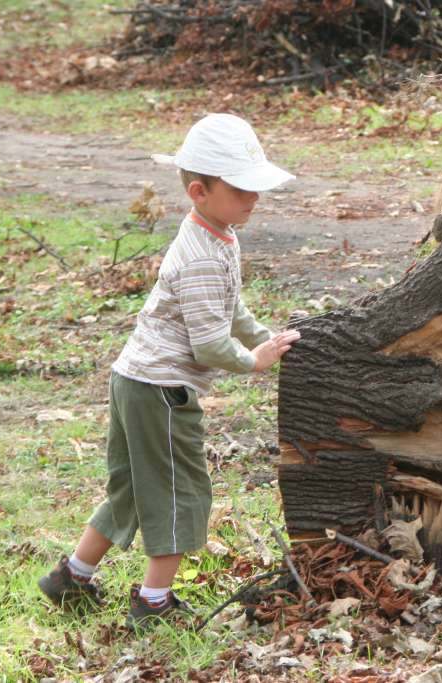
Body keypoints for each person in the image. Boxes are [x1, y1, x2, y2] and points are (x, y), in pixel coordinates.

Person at [36, 113, 301, 631]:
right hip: (160, 392)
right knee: (181, 492)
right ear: (199, 191)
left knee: (134, 488)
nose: (255, 199)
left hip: (136, 381)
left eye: (257, 188)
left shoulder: (217, 232)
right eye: (242, 189)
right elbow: (207, 342)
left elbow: (230, 308)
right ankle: (153, 602)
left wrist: (261, 335)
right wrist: (254, 362)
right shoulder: (203, 253)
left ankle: (72, 576)